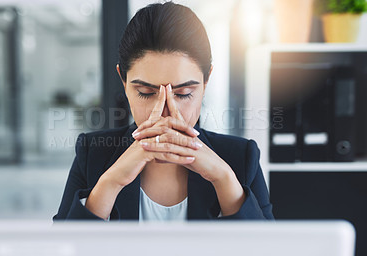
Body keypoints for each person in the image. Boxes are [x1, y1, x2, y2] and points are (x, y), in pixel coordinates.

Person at [53, 1, 274, 222]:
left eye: (184, 93)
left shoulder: (240, 158)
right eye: (146, 93)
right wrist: (110, 183)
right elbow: (62, 249)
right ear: (124, 81)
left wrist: (225, 180)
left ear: (206, 82)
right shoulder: (92, 154)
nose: (165, 113)